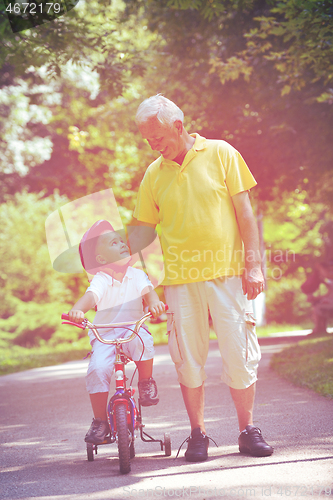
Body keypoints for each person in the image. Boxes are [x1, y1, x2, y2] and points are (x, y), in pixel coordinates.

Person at [132, 94, 273, 461]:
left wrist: (254, 265)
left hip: (228, 275)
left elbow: (245, 214)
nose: (153, 145)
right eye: (148, 140)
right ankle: (198, 434)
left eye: (157, 137)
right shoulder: (153, 174)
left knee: (239, 354)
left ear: (178, 127)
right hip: (179, 282)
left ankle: (247, 430)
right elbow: (142, 234)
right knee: (186, 358)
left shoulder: (222, 153)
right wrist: (144, 285)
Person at [69, 219, 165, 445]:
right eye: (114, 243)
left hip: (133, 327)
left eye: (121, 240)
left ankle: (146, 383)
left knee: (144, 342)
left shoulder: (137, 274)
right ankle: (100, 422)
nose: (122, 244)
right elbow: (91, 297)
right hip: (105, 333)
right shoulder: (101, 280)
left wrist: (154, 304)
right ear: (101, 259)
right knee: (97, 369)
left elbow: (149, 293)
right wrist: (77, 311)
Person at [301, 260, 333, 336]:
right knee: (318, 305)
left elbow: (329, 293)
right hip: (329, 301)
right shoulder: (327, 280)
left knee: (318, 306)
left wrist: (316, 298)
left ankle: (319, 328)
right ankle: (320, 328)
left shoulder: (329, 276)